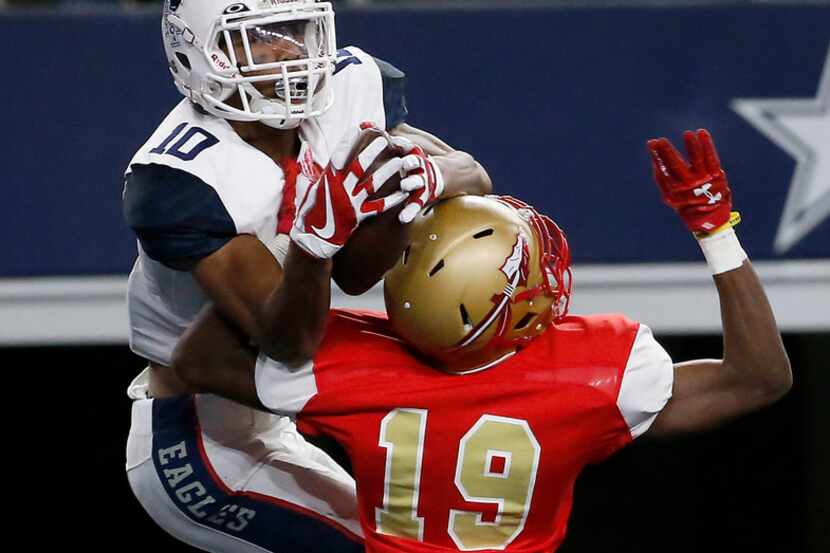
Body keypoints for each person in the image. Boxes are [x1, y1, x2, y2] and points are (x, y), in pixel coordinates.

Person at [171, 129, 792, 552]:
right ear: (511, 316)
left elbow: (196, 360)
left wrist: (308, 245)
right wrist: (716, 233)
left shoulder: (341, 367)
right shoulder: (594, 375)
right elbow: (760, 377)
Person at [122, 1, 492, 551]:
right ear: (193, 53)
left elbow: (470, 178)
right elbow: (288, 342)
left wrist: (423, 177)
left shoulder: (348, 88)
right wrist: (315, 243)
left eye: (296, 30)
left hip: (270, 418)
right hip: (200, 439)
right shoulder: (185, 179)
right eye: (256, 39)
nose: (287, 51)